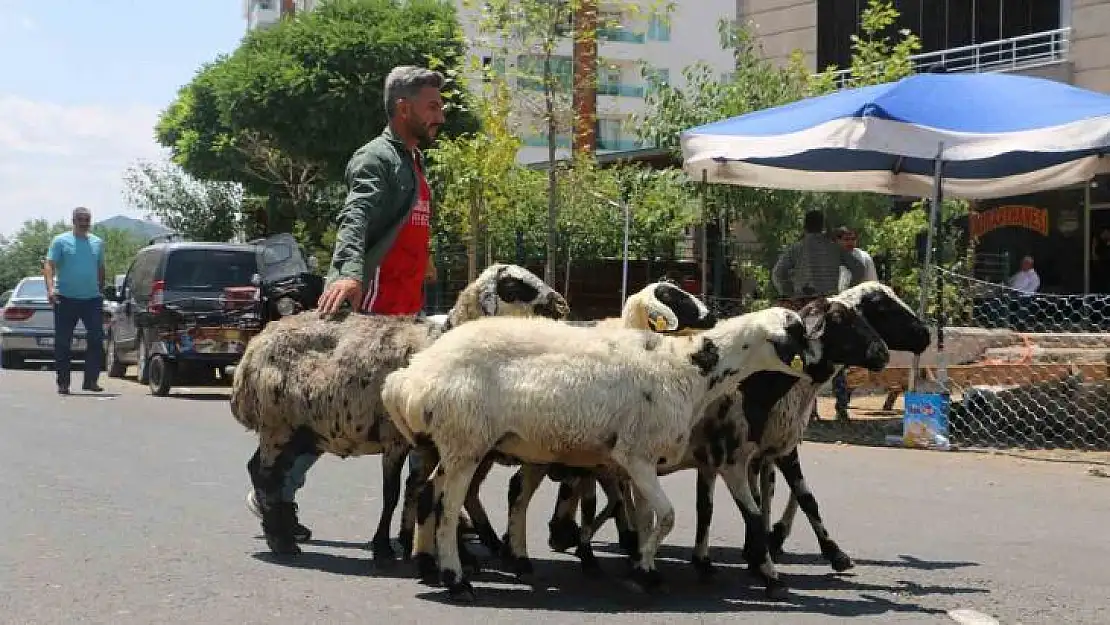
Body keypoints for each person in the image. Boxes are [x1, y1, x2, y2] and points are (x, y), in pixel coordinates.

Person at [246, 65, 459, 545]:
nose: (440, 116)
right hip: (376, 314)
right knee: (334, 416)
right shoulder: (375, 160)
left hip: (410, 316)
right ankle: (275, 486)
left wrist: (423, 265)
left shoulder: (412, 159)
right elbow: (356, 215)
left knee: (417, 420)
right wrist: (346, 271)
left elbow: (404, 225)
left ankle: (430, 515)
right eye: (432, 106)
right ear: (403, 108)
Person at [43, 207, 106, 395]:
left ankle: (91, 380)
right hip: (66, 298)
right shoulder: (61, 241)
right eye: (81, 220)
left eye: (87, 219)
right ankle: (63, 383)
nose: (85, 223)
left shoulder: (97, 242)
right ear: (74, 221)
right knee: (63, 341)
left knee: (96, 338)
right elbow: (49, 265)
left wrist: (101, 289)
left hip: (92, 298)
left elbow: (101, 266)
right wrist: (50, 289)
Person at [831, 226, 879, 421]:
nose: (850, 242)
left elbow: (872, 285)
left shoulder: (863, 259)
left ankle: (842, 406)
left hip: (855, 316)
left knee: (853, 365)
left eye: (853, 238)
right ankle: (825, 409)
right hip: (833, 315)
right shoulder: (830, 260)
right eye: (845, 239)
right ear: (836, 241)